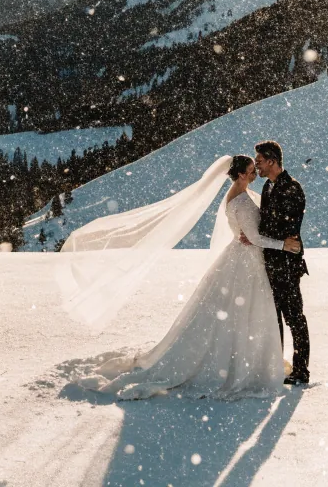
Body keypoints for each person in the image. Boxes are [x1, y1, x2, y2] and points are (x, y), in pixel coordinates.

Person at [70, 155, 301, 400]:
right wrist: (283, 244)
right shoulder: (241, 201)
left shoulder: (236, 195)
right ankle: (245, 367)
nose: (255, 174)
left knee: (234, 315)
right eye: (251, 171)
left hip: (239, 258)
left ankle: (243, 362)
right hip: (245, 262)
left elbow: (250, 229)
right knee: (244, 314)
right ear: (241, 175)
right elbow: (254, 238)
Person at [254, 140, 311, 385]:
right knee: (272, 318)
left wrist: (266, 236)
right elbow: (267, 224)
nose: (256, 165)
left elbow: (288, 229)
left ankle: (301, 370)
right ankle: (276, 367)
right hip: (270, 263)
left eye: (259, 161)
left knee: (294, 317)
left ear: (271, 161)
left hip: (287, 265)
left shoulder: (292, 188)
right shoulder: (267, 187)